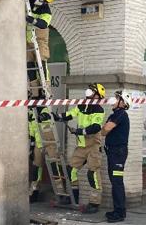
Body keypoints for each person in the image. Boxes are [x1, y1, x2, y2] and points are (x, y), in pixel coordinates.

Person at [53, 83, 106, 213]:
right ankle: (73, 198)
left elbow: (95, 127)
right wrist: (58, 117)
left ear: (97, 95)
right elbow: (71, 114)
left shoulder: (99, 109)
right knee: (70, 170)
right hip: (81, 146)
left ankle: (94, 203)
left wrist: (79, 131)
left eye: (92, 91)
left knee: (92, 173)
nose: (88, 92)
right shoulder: (82, 106)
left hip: (93, 145)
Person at [101, 90, 132, 223]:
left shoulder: (121, 114)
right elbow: (104, 130)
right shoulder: (115, 114)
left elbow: (106, 129)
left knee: (117, 182)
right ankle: (117, 210)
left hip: (118, 154)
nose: (113, 100)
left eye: (117, 98)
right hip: (113, 153)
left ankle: (120, 213)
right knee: (115, 182)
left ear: (123, 103)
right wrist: (105, 129)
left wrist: (105, 129)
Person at [27, 96, 64, 203]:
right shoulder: (31, 113)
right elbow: (32, 131)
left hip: (49, 143)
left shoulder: (45, 110)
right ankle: (34, 192)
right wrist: (32, 147)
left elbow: (50, 122)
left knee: (54, 166)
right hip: (39, 144)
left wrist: (45, 117)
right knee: (35, 168)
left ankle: (61, 193)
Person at [26, 0, 55, 98]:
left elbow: (43, 24)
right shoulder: (32, 1)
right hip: (28, 40)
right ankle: (34, 91)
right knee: (29, 66)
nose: (40, 1)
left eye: (43, 0)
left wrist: (32, 20)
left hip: (39, 41)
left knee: (41, 64)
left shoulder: (46, 11)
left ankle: (46, 89)